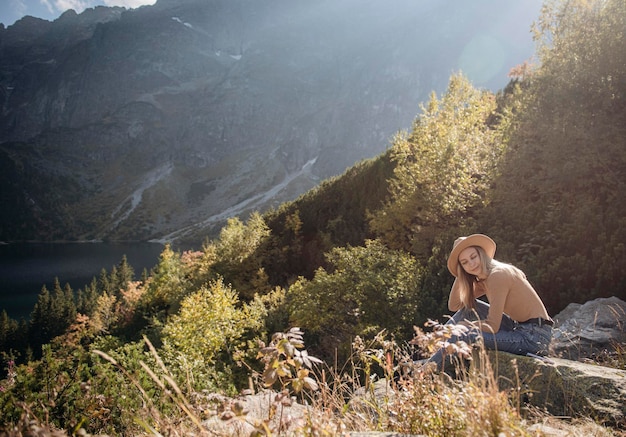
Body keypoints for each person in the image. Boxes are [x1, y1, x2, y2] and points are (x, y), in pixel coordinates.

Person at [422, 234, 553, 371]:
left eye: (473, 257)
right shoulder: (486, 278)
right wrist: (460, 274)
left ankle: (424, 373)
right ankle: (437, 351)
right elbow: (454, 305)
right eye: (465, 262)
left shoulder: (497, 276)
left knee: (463, 334)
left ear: (481, 254)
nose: (471, 264)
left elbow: (493, 326)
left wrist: (465, 325)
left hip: (533, 338)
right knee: (469, 309)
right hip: (519, 327)